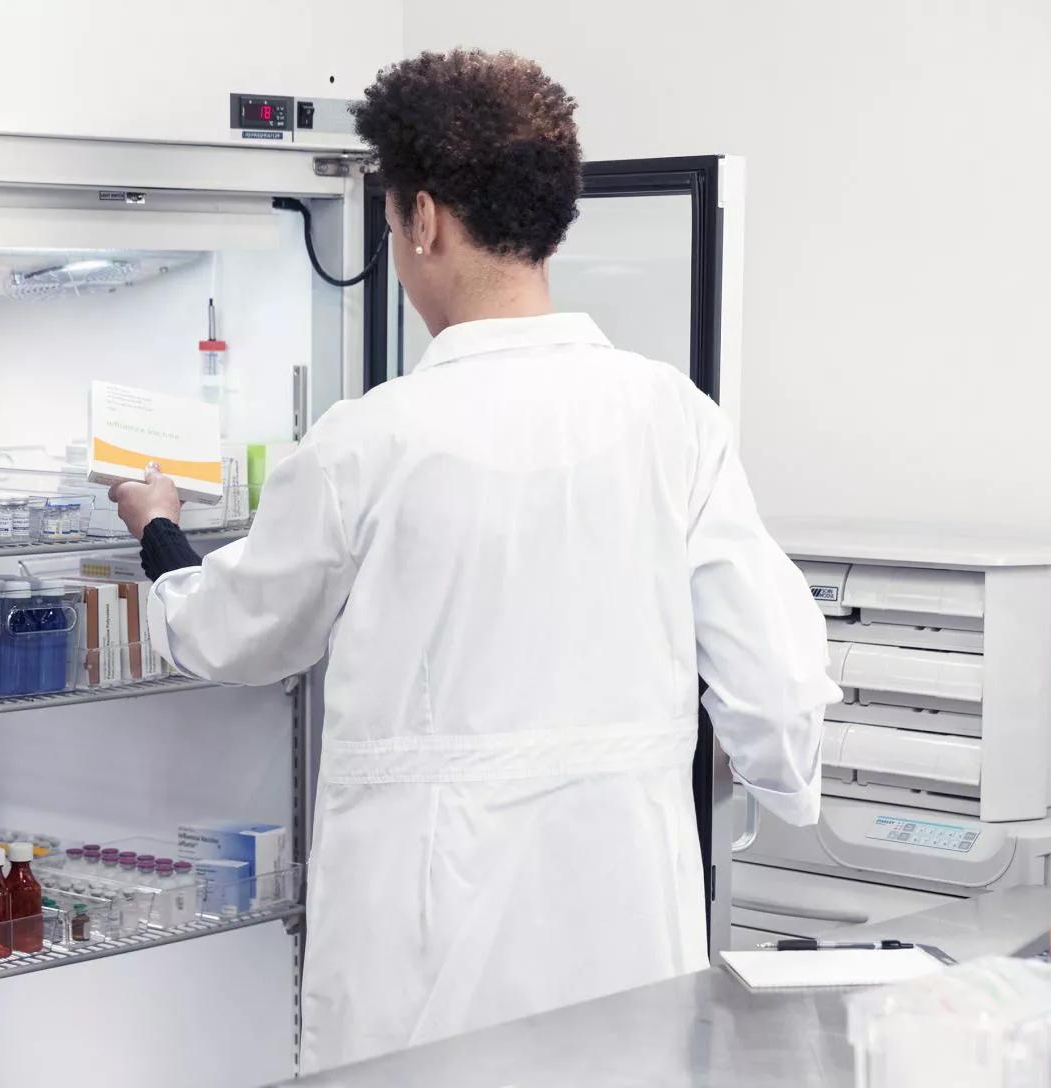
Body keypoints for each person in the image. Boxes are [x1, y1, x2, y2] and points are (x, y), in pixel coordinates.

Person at [109, 49, 839, 1073]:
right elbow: (776, 686)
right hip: (626, 936)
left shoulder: (371, 440)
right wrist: (782, 790)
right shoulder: (674, 418)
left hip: (429, 961)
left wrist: (158, 528)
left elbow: (231, 633)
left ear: (422, 219)